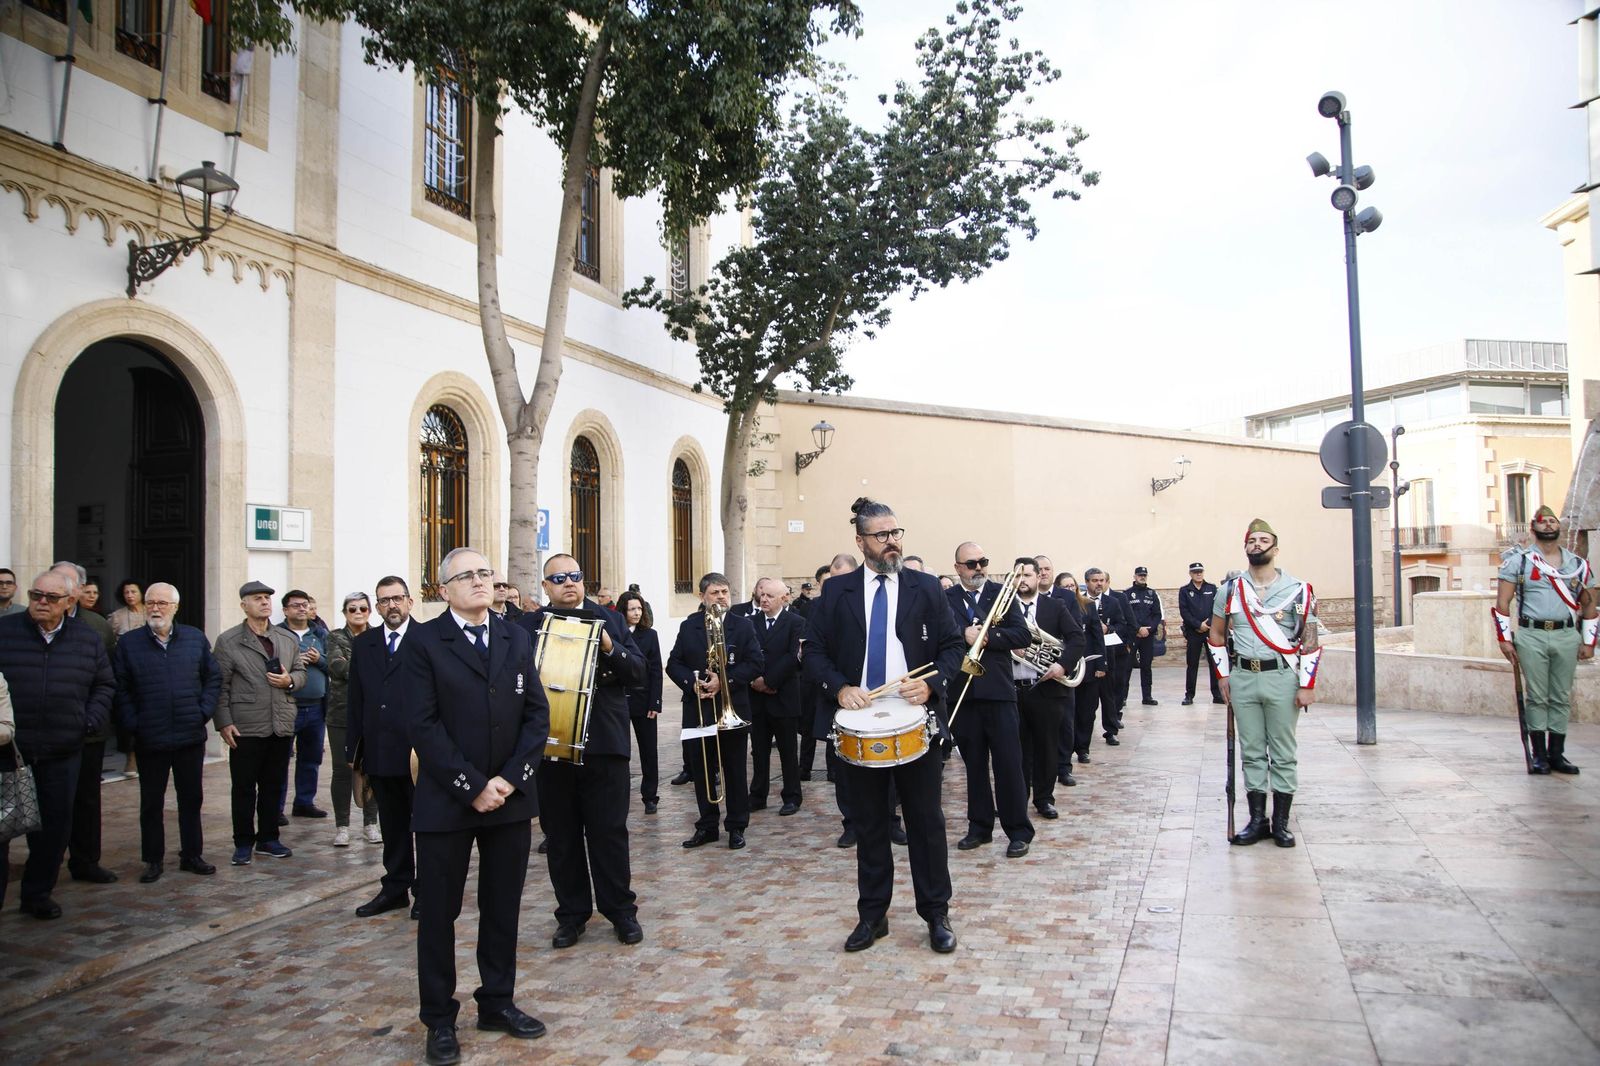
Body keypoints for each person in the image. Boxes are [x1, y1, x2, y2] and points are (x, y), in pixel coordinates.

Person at [407, 548, 550, 1063]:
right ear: (442, 589)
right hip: (447, 801)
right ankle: (439, 1019)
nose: (478, 582)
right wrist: (472, 785)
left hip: (509, 800)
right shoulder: (423, 641)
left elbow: (538, 715)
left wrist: (509, 781)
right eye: (464, 576)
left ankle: (497, 1001)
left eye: (484, 573)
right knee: (439, 914)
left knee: (502, 906)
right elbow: (422, 725)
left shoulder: (517, 635)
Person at [805, 498, 965, 953]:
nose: (892, 542)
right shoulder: (836, 592)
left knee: (926, 823)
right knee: (870, 825)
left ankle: (936, 914)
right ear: (861, 541)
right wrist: (839, 688)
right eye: (882, 535)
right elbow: (813, 651)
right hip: (860, 723)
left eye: (896, 533)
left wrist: (932, 685)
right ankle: (872, 917)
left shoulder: (926, 587)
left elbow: (953, 647)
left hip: (914, 721)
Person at [517, 553, 644, 949]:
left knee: (609, 832)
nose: (568, 583)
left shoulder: (612, 619)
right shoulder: (527, 626)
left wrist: (610, 646)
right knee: (561, 836)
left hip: (604, 743)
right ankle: (571, 915)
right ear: (546, 587)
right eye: (558, 578)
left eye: (575, 575)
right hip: (551, 747)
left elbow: (638, 673)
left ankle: (620, 911)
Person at [0, 570, 115, 917]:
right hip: (7, 751)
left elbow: (104, 685)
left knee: (53, 828)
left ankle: (37, 894)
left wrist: (88, 721)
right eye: (36, 595)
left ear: (69, 602)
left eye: (50, 598)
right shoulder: (5, 631)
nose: (41, 603)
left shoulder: (86, 637)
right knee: (1, 829)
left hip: (62, 748)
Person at [1209, 518, 1322, 847]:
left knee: (1283, 752)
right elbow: (1216, 634)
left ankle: (1281, 823)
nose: (1256, 544)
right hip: (1244, 677)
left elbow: (1310, 637)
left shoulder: (1299, 590)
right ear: (1245, 547)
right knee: (1253, 751)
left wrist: (1307, 684)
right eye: (1251, 540)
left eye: (1263, 539)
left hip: (1281, 677)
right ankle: (1257, 820)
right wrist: (1223, 676)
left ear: (1275, 548)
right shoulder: (1230, 590)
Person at [112, 582, 221, 882]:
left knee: (191, 799)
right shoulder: (130, 643)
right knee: (151, 802)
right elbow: (120, 688)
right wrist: (134, 723)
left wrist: (203, 712)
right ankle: (153, 859)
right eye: (150, 603)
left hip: (189, 733)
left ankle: (192, 854)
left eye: (162, 603)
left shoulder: (194, 639)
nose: (155, 608)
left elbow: (213, 678)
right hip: (151, 736)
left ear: (175, 607)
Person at [1493, 505, 1597, 774]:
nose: (1548, 525)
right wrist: (1504, 640)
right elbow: (1503, 602)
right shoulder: (1521, 561)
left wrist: (1588, 642)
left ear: (1559, 527)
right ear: (1533, 527)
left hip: (1565, 634)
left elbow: (1589, 604)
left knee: (1562, 696)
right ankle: (1539, 755)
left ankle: (1557, 755)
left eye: (1552, 521)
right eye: (1543, 522)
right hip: (1532, 635)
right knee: (1537, 696)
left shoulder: (1576, 565)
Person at [945, 543, 1034, 858]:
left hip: (998, 692)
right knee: (974, 766)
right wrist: (962, 633)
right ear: (958, 567)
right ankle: (979, 827)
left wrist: (986, 637)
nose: (978, 567)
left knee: (1009, 764)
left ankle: (1018, 831)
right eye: (971, 564)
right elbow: (939, 636)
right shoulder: (948, 598)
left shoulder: (1002, 594)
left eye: (982, 561)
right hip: (964, 694)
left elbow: (1022, 636)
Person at [667, 572, 763, 851]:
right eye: (715, 593)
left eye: (725, 592)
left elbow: (756, 663)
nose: (721, 597)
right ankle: (707, 825)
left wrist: (725, 681)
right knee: (703, 770)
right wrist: (692, 683)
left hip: (732, 710)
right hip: (699, 710)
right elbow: (674, 663)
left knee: (734, 770)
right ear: (702, 597)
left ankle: (736, 826)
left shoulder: (743, 627)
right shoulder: (689, 627)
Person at [213, 581, 306, 866]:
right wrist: (224, 722)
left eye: (267, 598)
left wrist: (290, 680)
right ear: (244, 605)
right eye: (257, 598)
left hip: (280, 723)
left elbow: (301, 672)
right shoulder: (229, 641)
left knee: (274, 784)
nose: (264, 602)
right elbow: (220, 686)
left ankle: (268, 838)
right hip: (246, 725)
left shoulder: (286, 639)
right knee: (243, 787)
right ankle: (243, 842)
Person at [348, 576, 420, 919]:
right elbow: (355, 700)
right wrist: (354, 752)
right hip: (379, 750)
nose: (391, 605)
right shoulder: (365, 645)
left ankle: (426, 892)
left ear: (410, 601)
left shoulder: (428, 638)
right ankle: (395, 888)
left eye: (397, 598)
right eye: (384, 600)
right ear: (377, 607)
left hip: (419, 755)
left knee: (425, 826)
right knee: (392, 827)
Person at [52, 561, 118, 884]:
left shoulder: (96, 626)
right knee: (48, 801)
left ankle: (85, 861)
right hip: (44, 731)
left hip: (87, 730)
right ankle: (44, 869)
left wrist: (93, 718)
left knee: (87, 799)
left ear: (77, 591)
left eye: (66, 584)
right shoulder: (28, 625)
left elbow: (107, 678)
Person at [1009, 558, 1083, 820]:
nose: (1023, 580)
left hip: (1047, 689)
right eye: (1018, 576)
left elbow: (1077, 639)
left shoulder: (1056, 606)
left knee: (1047, 747)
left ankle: (1044, 798)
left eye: (1028, 575)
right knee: (1016, 750)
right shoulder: (1003, 610)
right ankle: (1018, 800)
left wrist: (1063, 665)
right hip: (1012, 690)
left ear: (1038, 577)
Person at [748, 577, 806, 816]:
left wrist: (769, 681)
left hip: (783, 696)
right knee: (759, 751)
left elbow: (794, 657)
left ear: (784, 598)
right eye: (762, 594)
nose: (764, 599)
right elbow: (745, 653)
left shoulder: (797, 622)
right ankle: (758, 795)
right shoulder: (749, 623)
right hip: (756, 698)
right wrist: (755, 680)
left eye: (770, 596)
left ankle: (792, 796)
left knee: (788, 751)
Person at [326, 591, 381, 846]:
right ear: (345, 612)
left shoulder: (378, 637)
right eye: (352, 609)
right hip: (341, 713)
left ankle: (371, 823)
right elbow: (338, 667)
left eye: (363, 609)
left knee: (373, 768)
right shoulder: (336, 637)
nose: (358, 613)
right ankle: (342, 826)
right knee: (342, 770)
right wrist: (369, 668)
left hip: (372, 713)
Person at [278, 590, 330, 820]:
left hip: (316, 707)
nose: (301, 609)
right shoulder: (277, 634)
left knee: (311, 758)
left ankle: (304, 802)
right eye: (296, 605)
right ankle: (276, 808)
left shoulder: (321, 634)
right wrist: (294, 662)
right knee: (279, 761)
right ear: (286, 610)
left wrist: (319, 659)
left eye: (305, 605)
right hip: (287, 706)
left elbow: (335, 666)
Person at [617, 590, 662, 814]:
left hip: (644, 700)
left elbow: (656, 671)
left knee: (648, 749)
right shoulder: (614, 633)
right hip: (618, 701)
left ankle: (650, 795)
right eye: (631, 609)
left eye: (639, 609)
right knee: (620, 750)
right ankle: (620, 794)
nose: (636, 613)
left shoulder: (650, 635)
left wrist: (655, 702)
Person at [1056, 572, 1102, 783]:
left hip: (1087, 665)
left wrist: (1101, 664)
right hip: (1061, 669)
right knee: (1067, 714)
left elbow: (1096, 636)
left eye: (1071, 585)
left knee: (1086, 709)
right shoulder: (1054, 605)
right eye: (1064, 586)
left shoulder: (1088, 606)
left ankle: (1082, 747)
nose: (1068, 589)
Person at [1084, 568, 1132, 747]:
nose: (1099, 584)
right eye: (1095, 580)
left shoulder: (1112, 602)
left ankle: (1111, 730)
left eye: (1102, 580)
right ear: (1087, 582)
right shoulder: (1081, 601)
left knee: (1109, 695)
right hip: (1089, 655)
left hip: (1108, 655)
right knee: (1088, 700)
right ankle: (1083, 737)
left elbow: (1122, 624)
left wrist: (1109, 629)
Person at [1178, 563, 1223, 706]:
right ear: (1190, 574)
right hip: (1194, 632)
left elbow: (1217, 608)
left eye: (1200, 571)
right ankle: (1189, 695)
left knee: (1214, 664)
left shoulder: (1211, 588)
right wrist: (1198, 625)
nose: (1198, 574)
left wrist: (1208, 624)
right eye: (1195, 572)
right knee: (1192, 664)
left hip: (1211, 631)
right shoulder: (1185, 590)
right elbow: (1184, 612)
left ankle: (1217, 695)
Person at [1124, 567, 1164, 706]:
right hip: (1133, 636)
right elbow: (1125, 615)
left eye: (1144, 575)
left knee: (1146, 667)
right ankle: (1123, 697)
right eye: (1140, 575)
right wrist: (1137, 629)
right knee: (1127, 667)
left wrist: (1150, 629)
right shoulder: (1127, 594)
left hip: (1147, 636)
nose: (1142, 577)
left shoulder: (1152, 594)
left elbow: (1157, 614)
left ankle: (1147, 697)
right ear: (1134, 576)